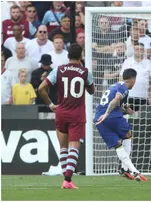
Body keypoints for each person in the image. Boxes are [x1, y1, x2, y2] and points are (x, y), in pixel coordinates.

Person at [38, 43, 95, 189]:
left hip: (61, 112)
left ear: (68, 55)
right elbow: (91, 91)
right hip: (76, 113)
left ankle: (66, 178)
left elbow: (41, 89)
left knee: (63, 147)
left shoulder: (58, 69)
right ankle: (68, 179)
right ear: (81, 55)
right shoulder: (85, 71)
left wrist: (51, 105)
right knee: (74, 146)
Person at [94, 68, 148, 182]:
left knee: (118, 144)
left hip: (98, 118)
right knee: (128, 135)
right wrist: (107, 114)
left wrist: (125, 109)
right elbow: (115, 100)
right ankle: (130, 170)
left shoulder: (115, 85)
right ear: (133, 79)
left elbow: (117, 103)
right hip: (110, 116)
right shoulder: (123, 88)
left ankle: (125, 170)